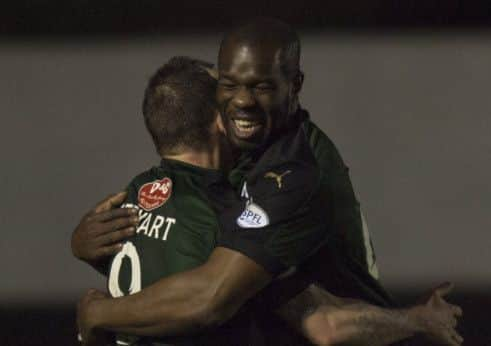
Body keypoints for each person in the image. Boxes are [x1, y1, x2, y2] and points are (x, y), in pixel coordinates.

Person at [74, 19, 463, 346]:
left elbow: (208, 293)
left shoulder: (289, 173)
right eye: (228, 84)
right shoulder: (219, 207)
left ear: (294, 85)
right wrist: (83, 246)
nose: (242, 101)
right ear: (216, 119)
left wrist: (98, 310)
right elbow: (318, 321)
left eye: (260, 86)